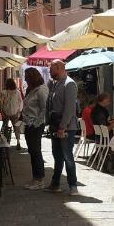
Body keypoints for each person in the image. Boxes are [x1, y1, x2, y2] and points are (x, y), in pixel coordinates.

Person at [46, 58, 79, 194]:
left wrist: (62, 127)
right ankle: (55, 184)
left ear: (59, 68)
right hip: (56, 125)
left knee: (67, 156)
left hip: (66, 127)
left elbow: (70, 109)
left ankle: (73, 186)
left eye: (51, 69)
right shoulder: (56, 83)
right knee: (57, 155)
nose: (49, 71)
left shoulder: (69, 84)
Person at [21, 67, 48, 189]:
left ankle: (40, 180)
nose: (25, 78)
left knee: (35, 151)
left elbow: (45, 109)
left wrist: (36, 123)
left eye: (27, 76)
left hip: (35, 126)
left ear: (32, 77)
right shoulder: (31, 90)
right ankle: (35, 178)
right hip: (29, 125)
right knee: (32, 151)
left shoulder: (41, 90)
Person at [0, 78, 23, 149]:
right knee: (16, 127)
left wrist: (1, 111)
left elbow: (1, 103)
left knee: (5, 126)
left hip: (6, 112)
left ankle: (5, 141)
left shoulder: (4, 92)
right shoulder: (17, 92)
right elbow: (20, 102)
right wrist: (19, 111)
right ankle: (18, 142)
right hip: (15, 112)